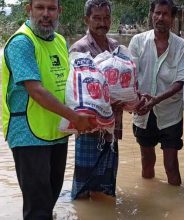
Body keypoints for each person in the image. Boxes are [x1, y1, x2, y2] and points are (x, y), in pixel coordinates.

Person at [1, 0, 95, 218]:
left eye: (51, 9)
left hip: (57, 132)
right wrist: (75, 117)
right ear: (29, 10)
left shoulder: (60, 41)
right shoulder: (22, 42)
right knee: (38, 207)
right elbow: (36, 91)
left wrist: (91, 110)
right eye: (40, 8)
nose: (46, 14)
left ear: (59, 11)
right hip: (28, 134)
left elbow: (70, 85)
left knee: (50, 198)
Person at [128, 0, 184, 186]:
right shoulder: (137, 42)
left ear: (172, 18)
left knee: (171, 165)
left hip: (170, 114)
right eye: (157, 13)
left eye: (165, 14)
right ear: (151, 15)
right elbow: (129, 76)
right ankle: (149, 199)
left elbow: (180, 81)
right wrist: (136, 102)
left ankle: (175, 207)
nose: (160, 17)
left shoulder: (181, 46)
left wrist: (155, 100)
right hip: (143, 112)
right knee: (147, 161)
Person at [69, 0, 122, 200]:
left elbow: (124, 84)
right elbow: (73, 93)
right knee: (83, 183)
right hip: (88, 128)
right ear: (87, 19)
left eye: (106, 17)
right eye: (97, 18)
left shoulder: (116, 47)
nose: (102, 23)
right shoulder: (79, 49)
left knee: (106, 184)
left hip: (112, 126)